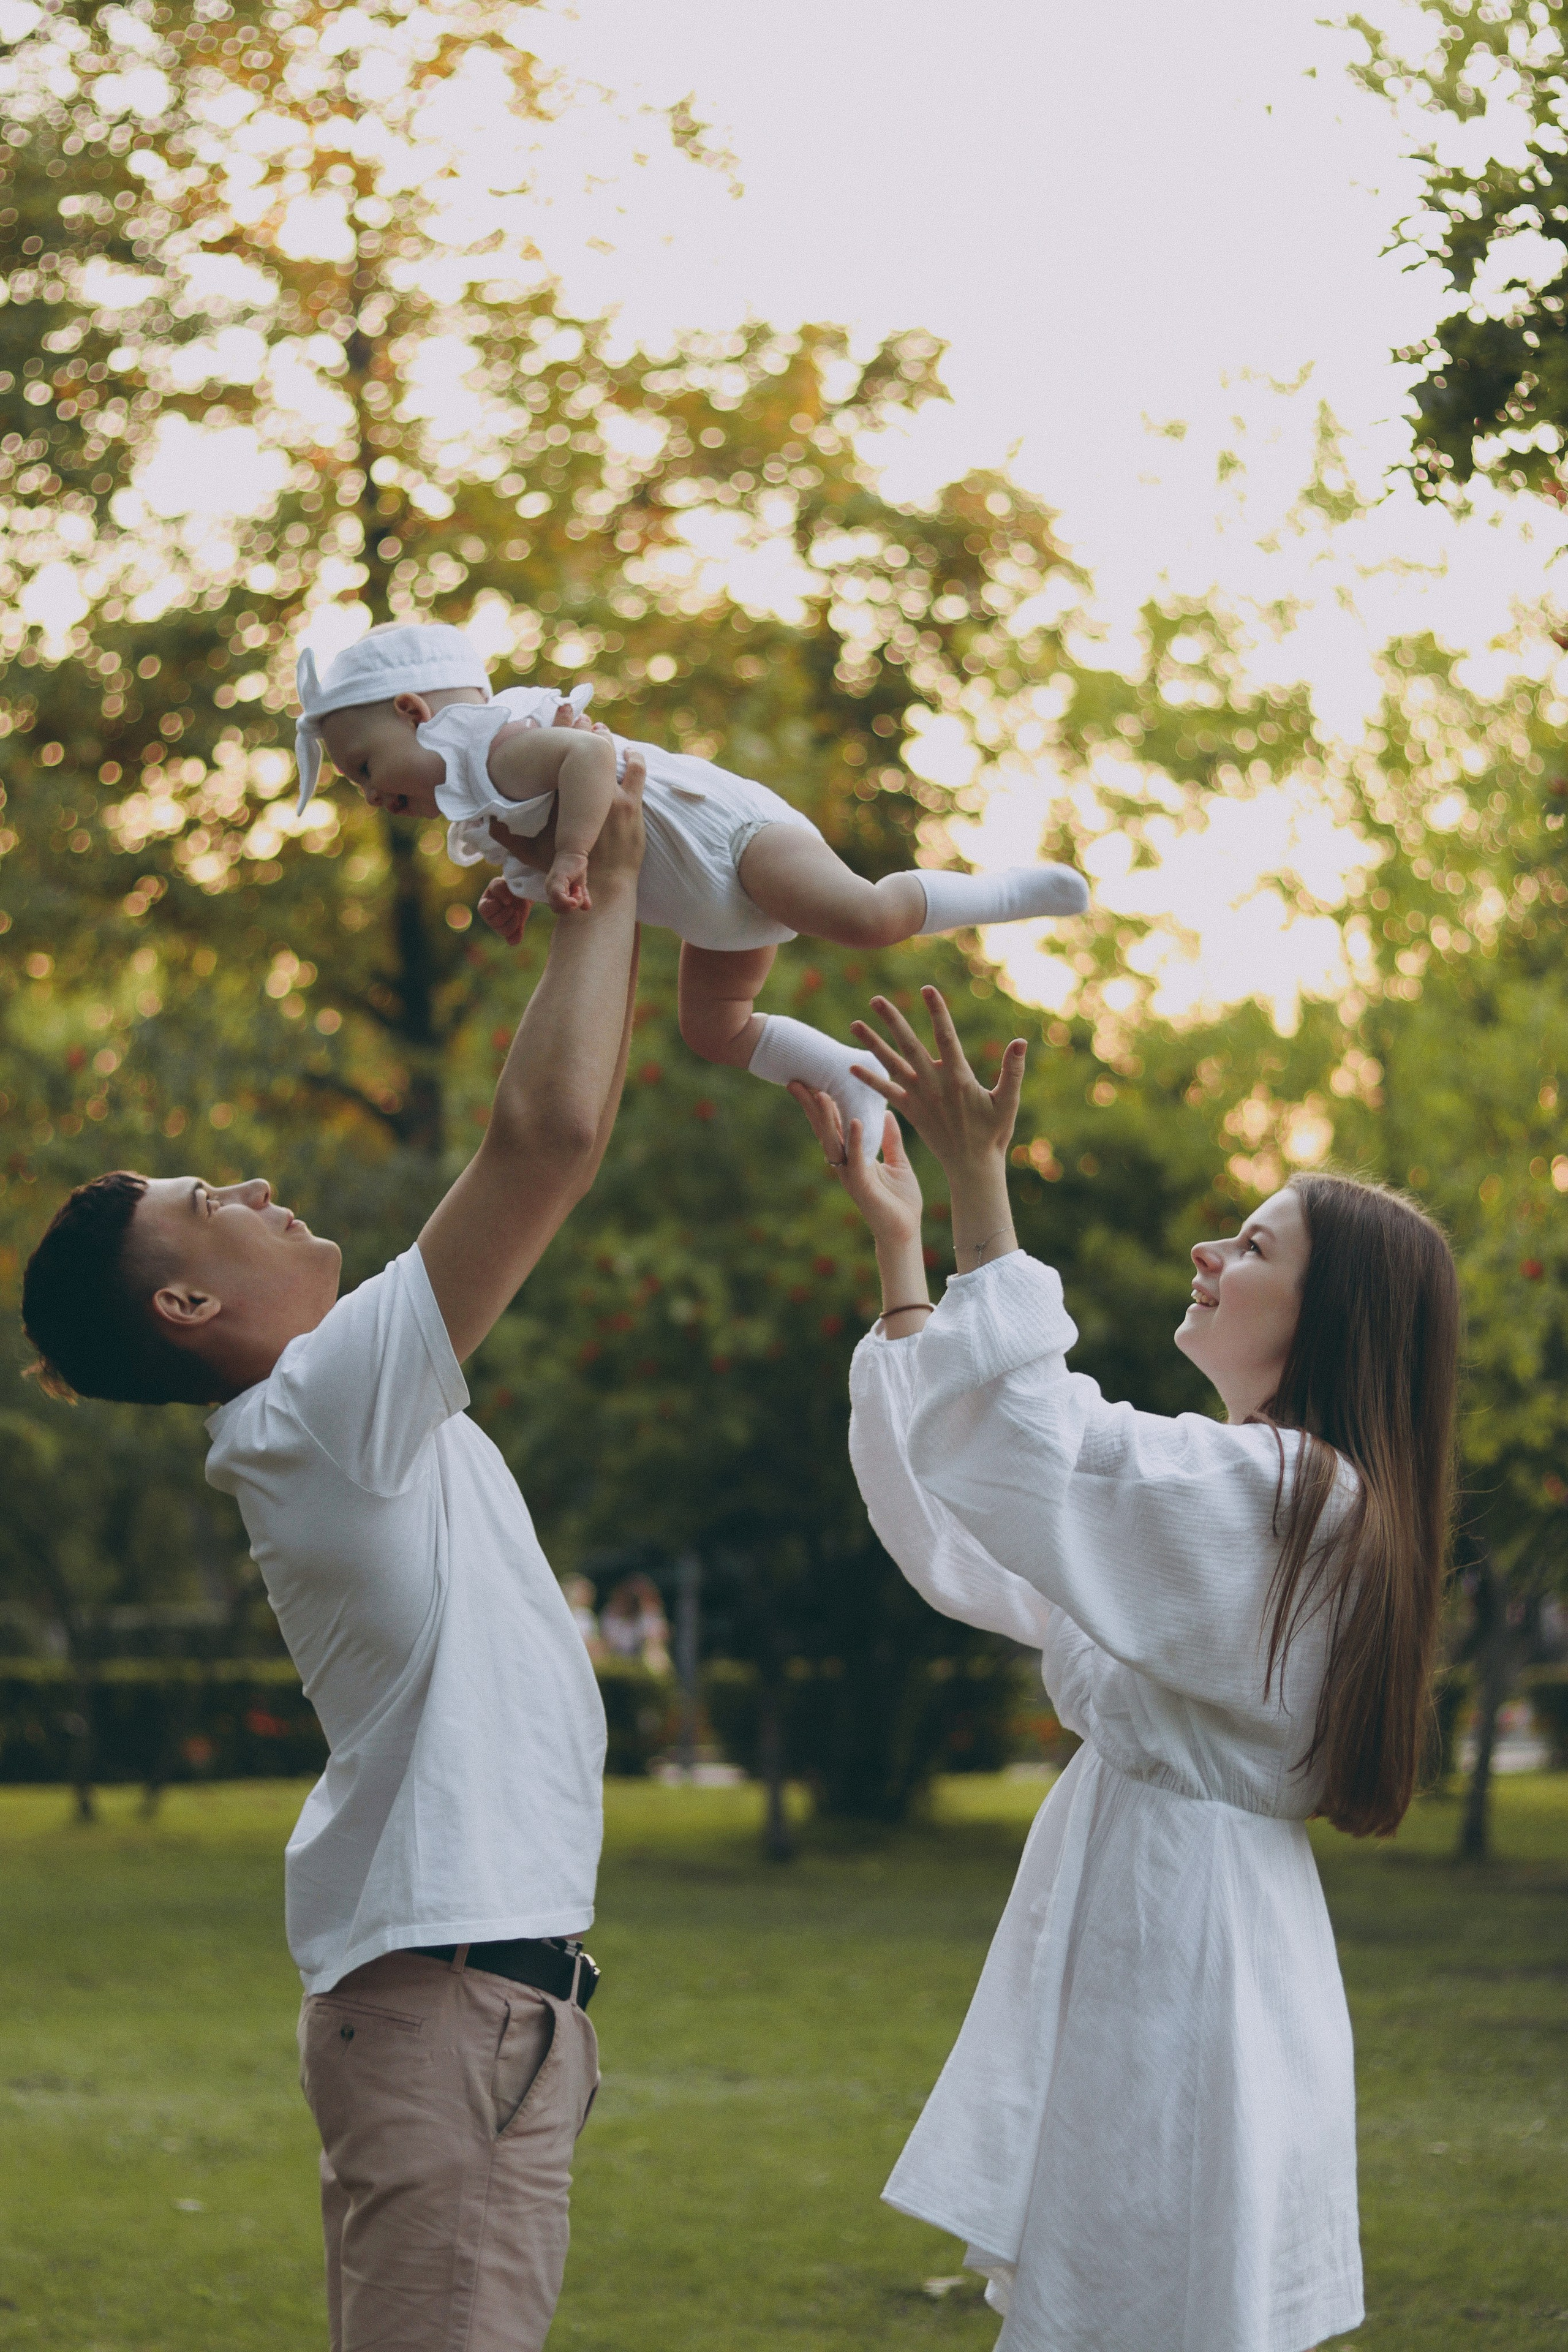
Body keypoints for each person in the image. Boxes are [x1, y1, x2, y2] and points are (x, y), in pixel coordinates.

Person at [19, 734, 648, 2352]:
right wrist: (605, 884)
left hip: (469, 2005)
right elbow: (545, 1142)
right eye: (209, 1201)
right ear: (187, 1303)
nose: (253, 1184)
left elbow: (558, 1126)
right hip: (452, 2003)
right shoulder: (316, 1407)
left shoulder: (338, 1411)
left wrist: (575, 893)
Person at [790, 986, 1460, 2352]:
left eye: (1254, 1244)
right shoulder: (1246, 1494)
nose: (1210, 1250)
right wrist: (906, 1252)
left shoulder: (1297, 1499)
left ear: (1328, 1313)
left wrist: (979, 1184)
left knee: (1143, 2303)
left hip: (1184, 1962)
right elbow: (983, 1536)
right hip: (1161, 1931)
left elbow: (1051, 1451)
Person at [293, 621, 1088, 1146]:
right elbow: (545, 845)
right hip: (710, 916)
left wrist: (569, 856)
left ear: (414, 711)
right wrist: (521, 889)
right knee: (715, 1029)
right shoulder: (478, 805)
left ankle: (1009, 892)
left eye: (364, 767)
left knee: (867, 915)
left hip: (734, 843)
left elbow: (589, 761)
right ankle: (844, 1075)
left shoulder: (502, 746)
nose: (369, 794)